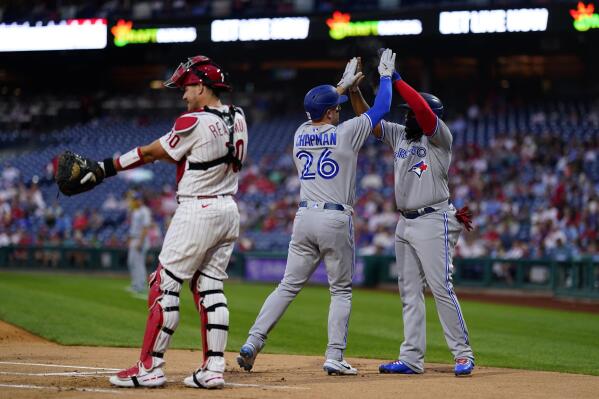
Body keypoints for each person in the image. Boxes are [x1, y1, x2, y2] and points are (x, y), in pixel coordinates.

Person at [72, 55, 248, 389]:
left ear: (202, 85)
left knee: (163, 284)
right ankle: (213, 368)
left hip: (198, 210)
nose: (183, 95)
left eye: (186, 87)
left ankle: (149, 367)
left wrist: (105, 167)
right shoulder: (238, 117)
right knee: (210, 287)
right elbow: (181, 153)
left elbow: (154, 152)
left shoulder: (191, 122)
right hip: (228, 209)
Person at [236, 49, 396, 376]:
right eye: (335, 109)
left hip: (304, 218)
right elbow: (382, 108)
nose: (338, 111)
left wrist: (341, 86)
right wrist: (386, 77)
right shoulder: (346, 132)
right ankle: (334, 355)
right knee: (340, 290)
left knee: (286, 286)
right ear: (331, 113)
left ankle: (253, 342)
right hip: (335, 218)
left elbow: (320, 105)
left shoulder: (298, 133)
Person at [347, 54, 475, 376]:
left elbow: (421, 110)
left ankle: (462, 354)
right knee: (408, 292)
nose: (407, 118)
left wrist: (397, 80)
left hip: (434, 219)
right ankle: (412, 358)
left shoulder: (440, 137)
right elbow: (369, 120)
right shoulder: (401, 134)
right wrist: (354, 92)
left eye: (411, 115)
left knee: (441, 287)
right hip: (406, 221)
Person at [126, 191, 152, 296]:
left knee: (139, 264)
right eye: (134, 199)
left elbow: (145, 228)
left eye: (136, 199)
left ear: (140, 200)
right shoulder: (135, 211)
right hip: (134, 239)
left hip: (141, 240)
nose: (134, 201)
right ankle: (135, 284)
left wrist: (140, 242)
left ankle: (140, 286)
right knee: (131, 262)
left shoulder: (145, 211)